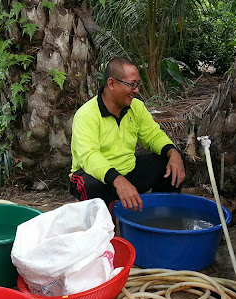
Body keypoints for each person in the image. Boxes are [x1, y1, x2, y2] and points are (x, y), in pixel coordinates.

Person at [69, 57, 186, 211]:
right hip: (97, 177)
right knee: (89, 184)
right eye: (132, 84)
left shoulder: (137, 107)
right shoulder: (86, 115)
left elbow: (153, 136)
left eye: (138, 85)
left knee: (174, 160)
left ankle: (161, 214)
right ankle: (101, 217)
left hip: (128, 171)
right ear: (112, 83)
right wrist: (117, 180)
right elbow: (89, 156)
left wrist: (173, 153)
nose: (136, 90)